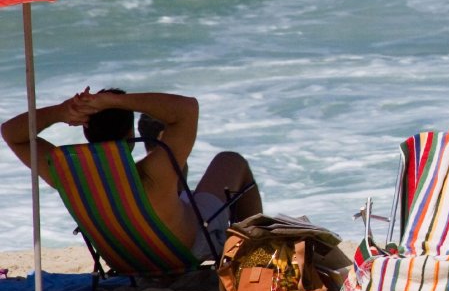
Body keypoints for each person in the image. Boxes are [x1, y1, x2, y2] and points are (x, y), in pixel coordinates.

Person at [1, 88, 263, 261]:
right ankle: (258, 253)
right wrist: (117, 101)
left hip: (125, 256)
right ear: (130, 135)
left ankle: (159, 150)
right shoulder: (151, 175)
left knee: (176, 172)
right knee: (229, 160)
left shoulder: (68, 172)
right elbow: (187, 108)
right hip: (185, 248)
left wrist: (61, 111)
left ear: (84, 129)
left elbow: (11, 133)